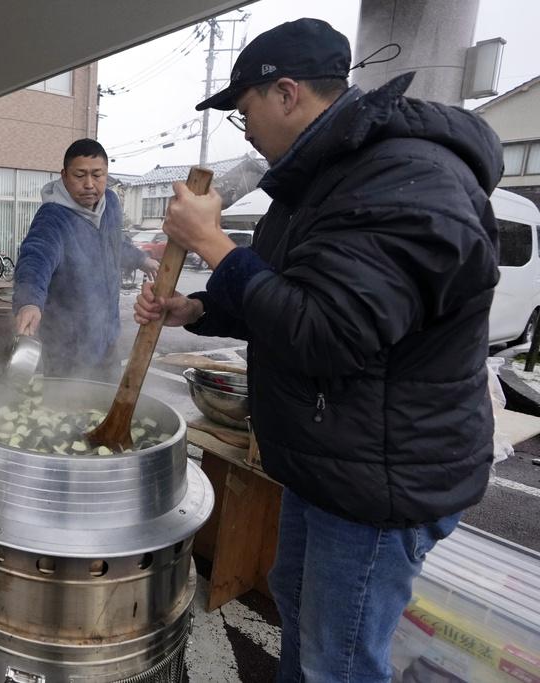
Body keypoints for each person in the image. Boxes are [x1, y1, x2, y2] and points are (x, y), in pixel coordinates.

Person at [134, 18, 501, 683]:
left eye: (245, 109)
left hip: (381, 480)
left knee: (338, 660)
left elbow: (328, 334)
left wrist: (213, 244)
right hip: (332, 465)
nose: (242, 128)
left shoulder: (400, 176)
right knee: (304, 617)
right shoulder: (319, 179)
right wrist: (196, 306)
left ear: (287, 94)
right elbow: (283, 294)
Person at [13, 138, 159, 380]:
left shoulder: (110, 203)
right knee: (67, 408)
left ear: (106, 174)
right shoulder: (53, 217)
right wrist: (29, 301)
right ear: (64, 175)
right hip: (67, 343)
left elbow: (113, 243)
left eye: (97, 175)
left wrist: (140, 259)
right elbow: (35, 257)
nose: (89, 184)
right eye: (80, 175)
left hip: (107, 333)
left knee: (109, 402)